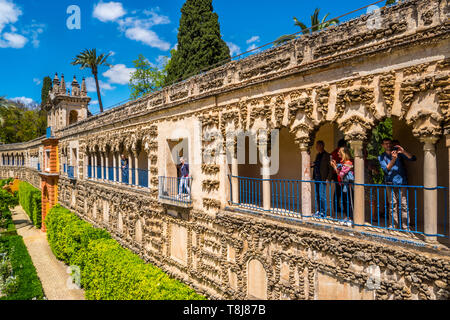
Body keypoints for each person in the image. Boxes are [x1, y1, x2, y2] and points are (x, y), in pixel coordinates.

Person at [378, 138, 416, 230]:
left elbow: (413, 158)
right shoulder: (381, 157)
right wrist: (394, 159)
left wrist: (403, 152)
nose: (388, 145)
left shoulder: (399, 153)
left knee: (404, 204)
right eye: (386, 143)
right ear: (382, 145)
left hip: (401, 182)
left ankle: (405, 226)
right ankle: (393, 225)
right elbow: (386, 169)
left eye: (389, 143)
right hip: (389, 182)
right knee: (392, 204)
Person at [331, 146, 354, 223]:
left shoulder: (348, 163)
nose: (338, 154)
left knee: (349, 201)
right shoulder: (343, 163)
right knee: (345, 201)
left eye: (339, 152)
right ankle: (347, 217)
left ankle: (350, 218)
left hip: (348, 185)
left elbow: (341, 174)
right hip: (344, 185)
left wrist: (334, 167)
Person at [311, 141, 333, 217]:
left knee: (322, 195)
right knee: (317, 195)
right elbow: (317, 164)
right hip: (317, 177)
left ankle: (323, 212)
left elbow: (331, 168)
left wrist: (328, 178)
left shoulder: (327, 155)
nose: (316, 147)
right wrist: (312, 164)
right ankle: (319, 210)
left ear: (321, 146)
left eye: (317, 145)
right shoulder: (318, 155)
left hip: (322, 178)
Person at [331, 139, 347, 215]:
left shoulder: (334, 152)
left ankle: (337, 207)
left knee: (338, 191)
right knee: (341, 191)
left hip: (336, 173)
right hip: (338, 173)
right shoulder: (339, 152)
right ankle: (343, 208)